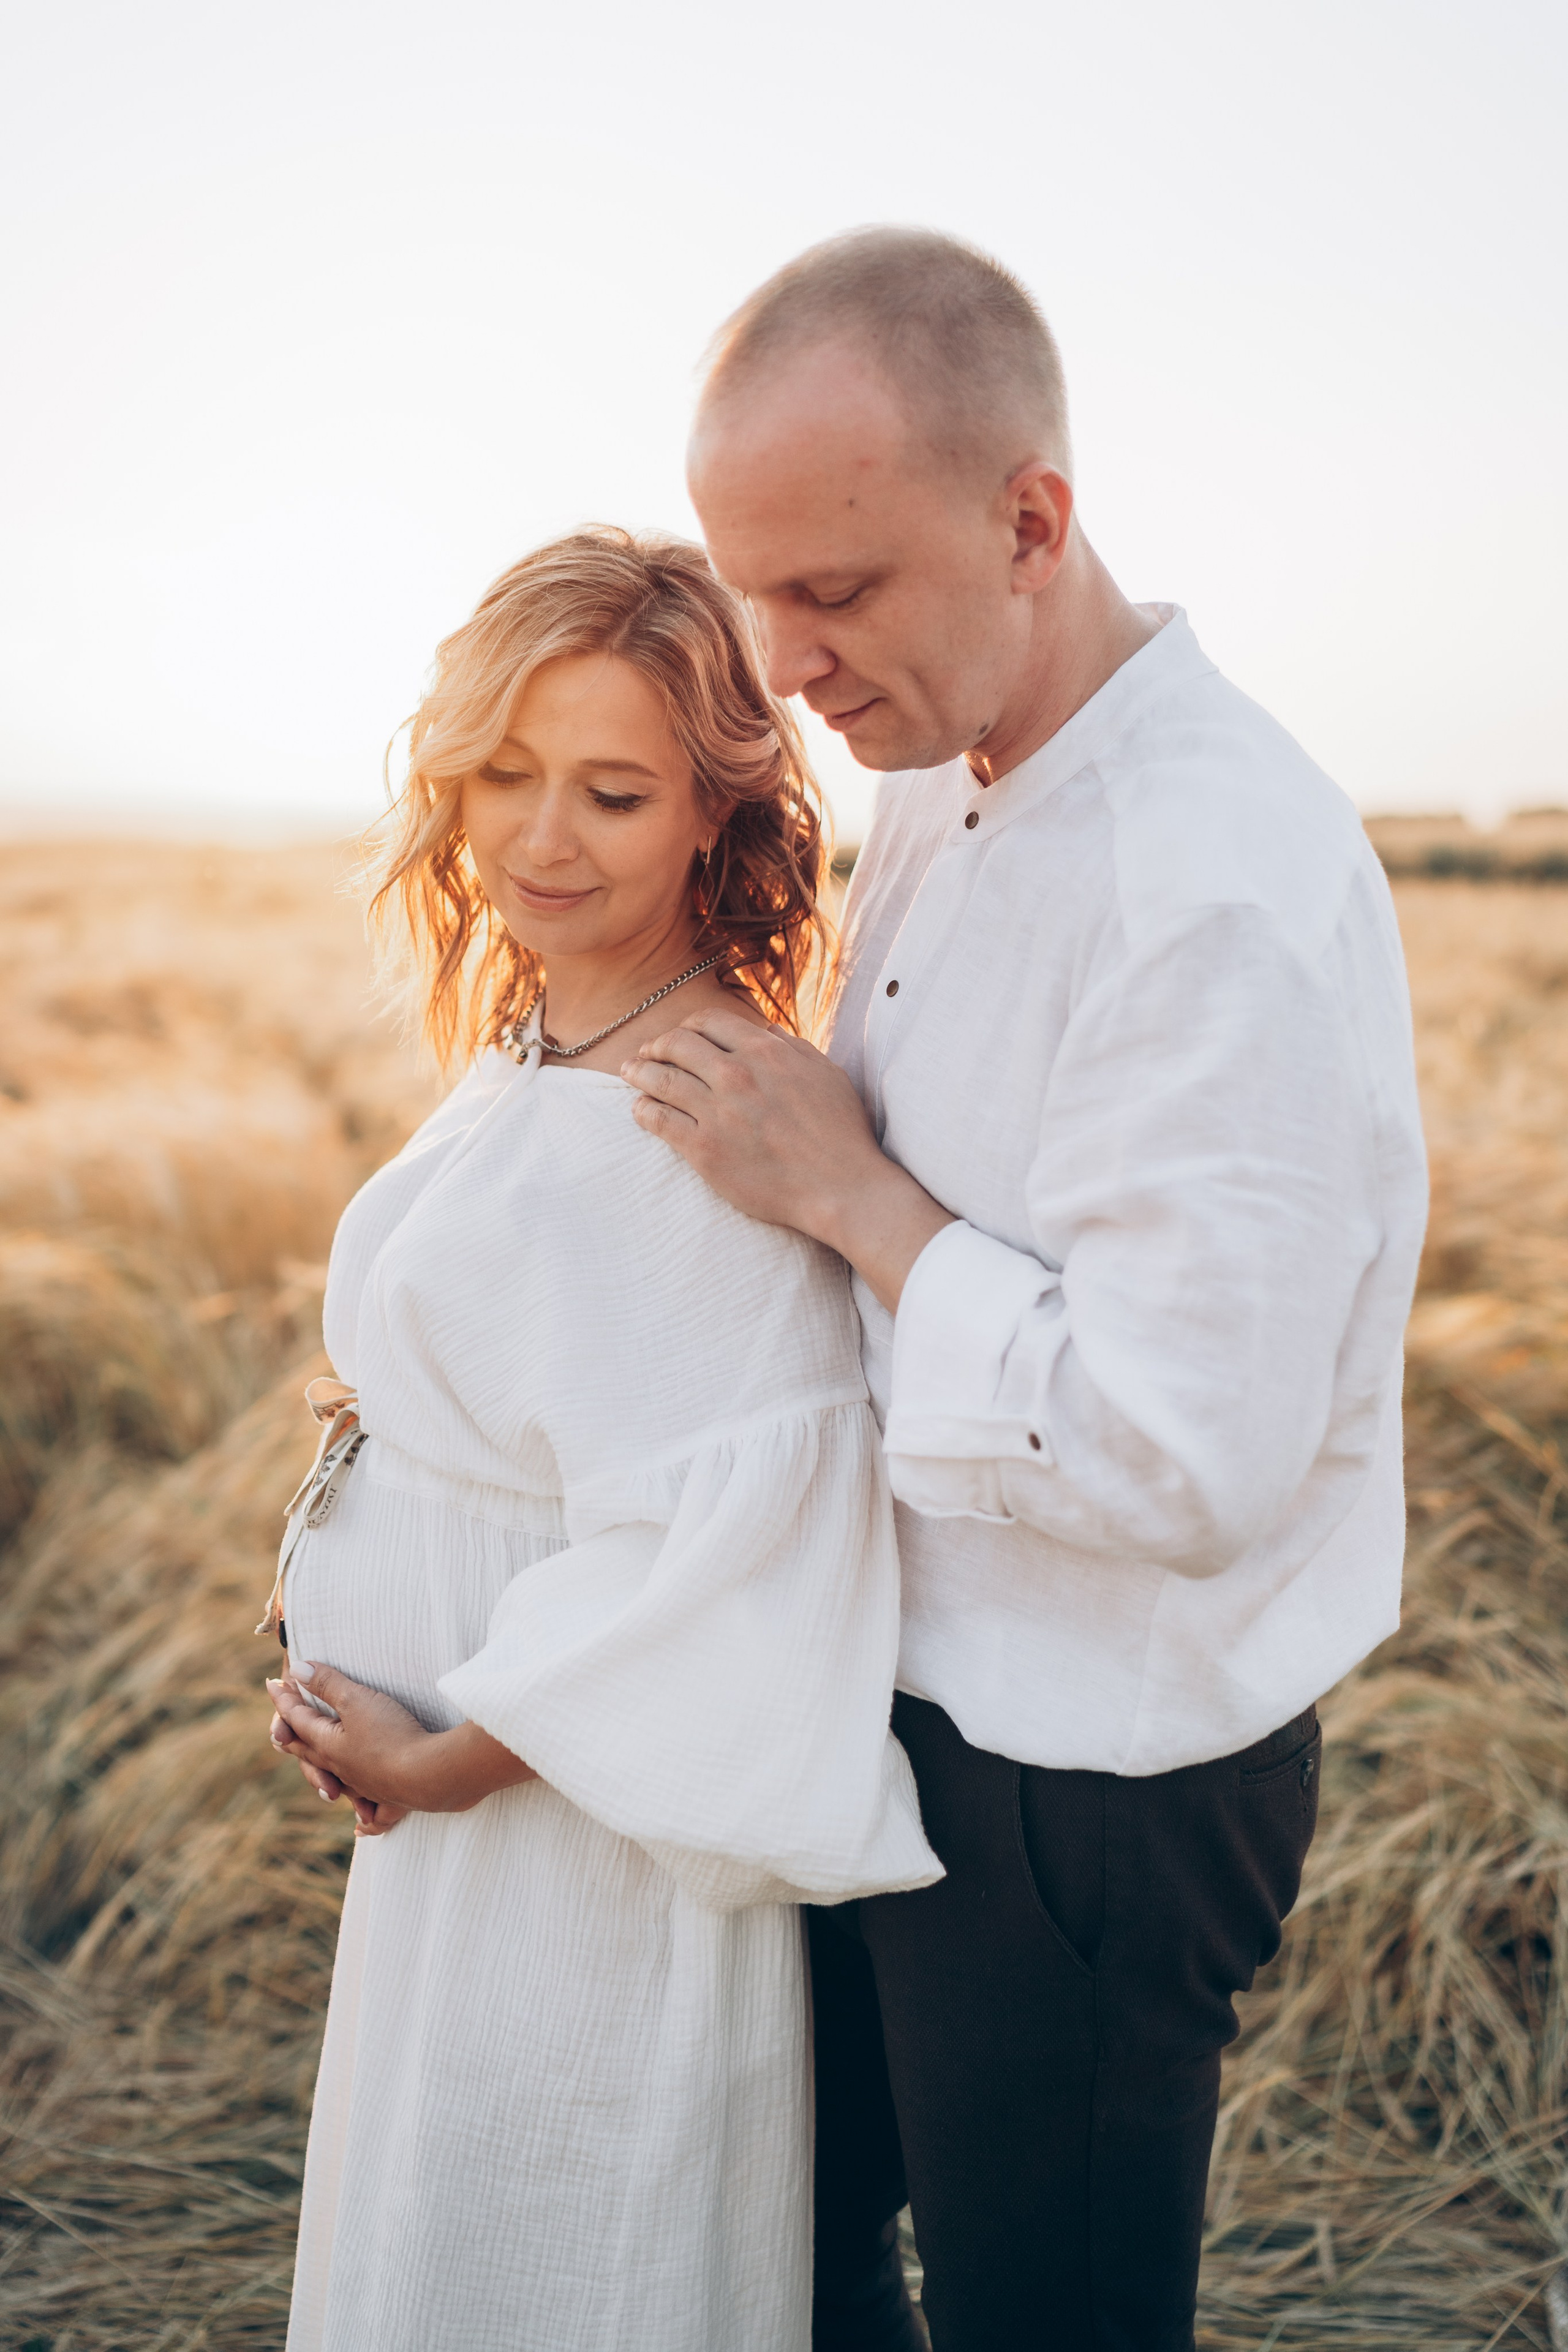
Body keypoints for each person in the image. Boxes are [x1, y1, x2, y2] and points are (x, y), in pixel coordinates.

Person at [622, 230, 1430, 2352]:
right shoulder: (945, 760)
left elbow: (1194, 1459)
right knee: (762, 2243)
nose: (787, 663)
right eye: (757, 590)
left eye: (839, 590)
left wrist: (859, 1201)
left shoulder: (1213, 887)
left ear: (1032, 519)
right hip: (896, 1712)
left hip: (1095, 1789)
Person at [263, 526, 940, 2352]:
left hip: (584, 1865)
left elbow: (734, 1560)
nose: (539, 840)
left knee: (561, 2258)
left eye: (613, 792)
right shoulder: (543, 1036)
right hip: (460, 1841)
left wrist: (453, 1759)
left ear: (719, 814)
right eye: (504, 773)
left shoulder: (698, 1107)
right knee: (445, 2240)